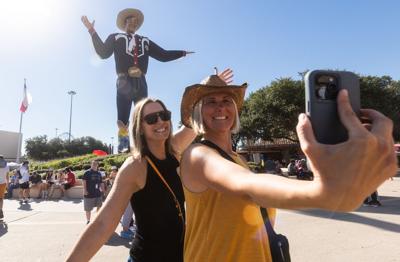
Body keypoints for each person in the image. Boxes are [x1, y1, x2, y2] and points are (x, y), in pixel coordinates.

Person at [179, 72, 397, 261]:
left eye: (226, 99)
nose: (220, 107)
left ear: (234, 109)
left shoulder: (238, 158)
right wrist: (322, 193)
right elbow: (247, 185)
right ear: (199, 111)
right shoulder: (196, 155)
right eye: (211, 101)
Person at [66, 71, 234, 261]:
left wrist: (208, 90)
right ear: (140, 127)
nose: (161, 121)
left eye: (164, 115)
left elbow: (193, 122)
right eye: (152, 119)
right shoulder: (136, 166)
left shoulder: (174, 150)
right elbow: (104, 223)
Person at [81, 8, 194, 151]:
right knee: (122, 116)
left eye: (136, 22)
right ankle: (123, 147)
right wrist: (92, 30)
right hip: (124, 81)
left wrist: (182, 53)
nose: (134, 23)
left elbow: (163, 55)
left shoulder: (145, 41)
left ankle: (145, 146)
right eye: (131, 20)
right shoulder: (115, 37)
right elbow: (103, 53)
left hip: (141, 81)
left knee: (143, 114)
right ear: (124, 23)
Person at [0, 155, 9, 220]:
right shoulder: (7, 166)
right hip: (3, 184)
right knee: (1, 199)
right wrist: (7, 185)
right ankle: (0, 210)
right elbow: (7, 177)